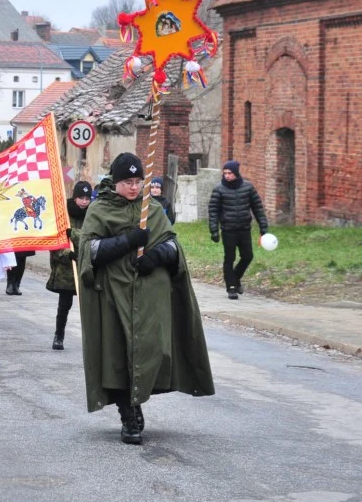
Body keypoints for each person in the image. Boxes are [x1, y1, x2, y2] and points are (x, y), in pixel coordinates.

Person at [77, 152, 215, 445]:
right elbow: (89, 252)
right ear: (115, 181)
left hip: (148, 299)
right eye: (128, 181)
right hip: (113, 296)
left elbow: (174, 247)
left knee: (148, 352)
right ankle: (129, 415)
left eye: (138, 181)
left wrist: (156, 255)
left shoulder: (151, 209)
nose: (134, 187)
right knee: (118, 353)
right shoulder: (99, 210)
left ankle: (136, 403)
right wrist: (127, 241)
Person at [208, 161, 269, 300]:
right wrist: (214, 230)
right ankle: (231, 287)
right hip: (228, 229)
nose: (227, 176)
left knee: (248, 256)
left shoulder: (248, 187)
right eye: (225, 173)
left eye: (230, 173)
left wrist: (263, 226)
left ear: (236, 173)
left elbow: (257, 208)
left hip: (244, 228)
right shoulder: (219, 189)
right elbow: (213, 211)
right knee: (229, 258)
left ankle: (235, 278)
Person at [45, 181, 91, 350]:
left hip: (86, 266)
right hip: (66, 269)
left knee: (88, 306)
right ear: (75, 197)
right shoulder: (64, 215)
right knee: (64, 305)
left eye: (87, 198)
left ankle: (90, 340)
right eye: (81, 198)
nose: (84, 202)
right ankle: (59, 335)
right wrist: (67, 254)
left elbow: (90, 238)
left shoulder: (92, 216)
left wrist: (76, 236)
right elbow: (57, 242)